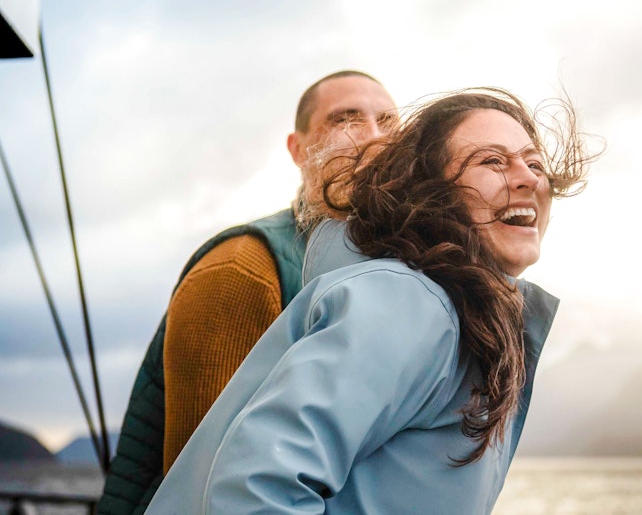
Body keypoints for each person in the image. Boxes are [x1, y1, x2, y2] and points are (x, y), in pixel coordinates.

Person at [143, 88, 594, 514]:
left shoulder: (456, 315)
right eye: (492, 161)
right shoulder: (407, 303)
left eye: (535, 164)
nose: (526, 179)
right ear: (431, 193)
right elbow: (257, 485)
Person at [98, 71, 398, 515]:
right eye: (345, 120)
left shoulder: (394, 275)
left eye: (388, 121)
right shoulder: (243, 268)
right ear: (298, 150)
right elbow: (204, 487)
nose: (374, 137)